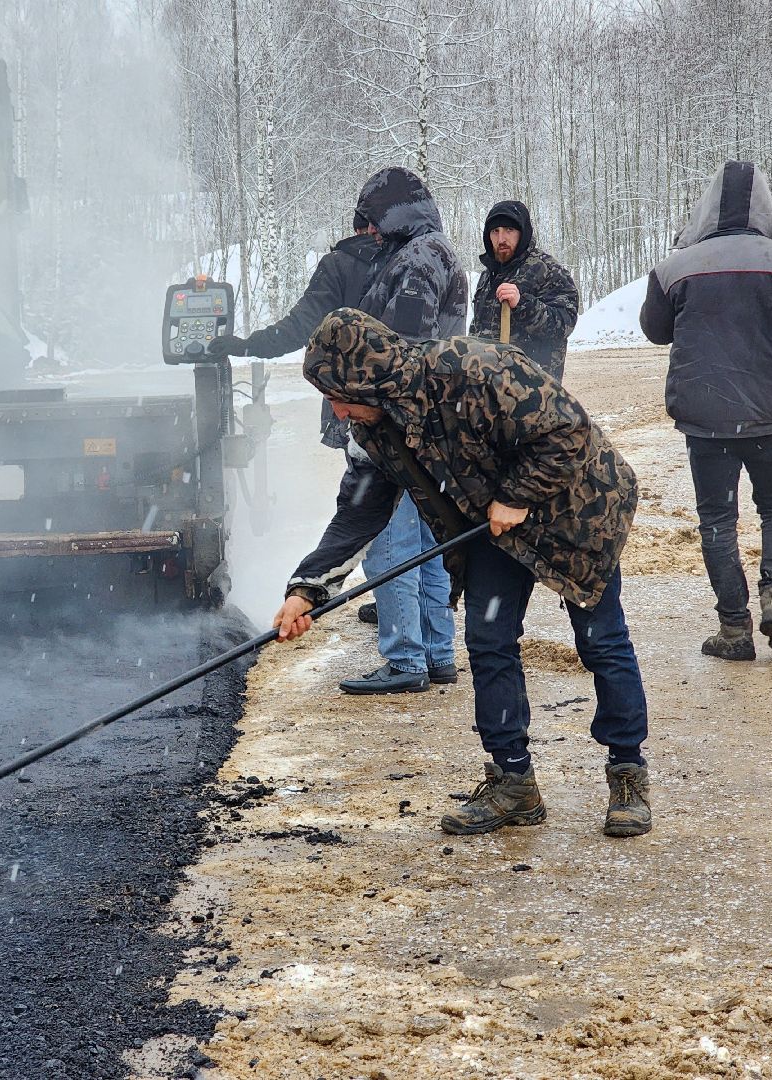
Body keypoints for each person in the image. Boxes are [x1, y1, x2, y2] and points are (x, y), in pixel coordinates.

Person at [275, 308, 652, 838]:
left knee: (600, 640)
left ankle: (627, 772)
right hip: (492, 527)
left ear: (368, 379)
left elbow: (568, 430)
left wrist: (517, 495)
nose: (336, 411)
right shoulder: (375, 428)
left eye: (339, 395)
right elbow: (358, 513)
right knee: (489, 641)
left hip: (576, 510)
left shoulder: (470, 369)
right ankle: (514, 784)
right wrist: (307, 588)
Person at [640, 161, 772, 661]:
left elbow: (655, 329)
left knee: (717, 519)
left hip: (706, 418)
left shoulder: (676, 268)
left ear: (708, 208)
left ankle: (734, 629)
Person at [333, 166, 469, 694]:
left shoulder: (415, 262)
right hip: (434, 427)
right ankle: (437, 652)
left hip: (399, 429)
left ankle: (405, 658)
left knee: (390, 543)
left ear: (394, 214)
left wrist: (367, 414)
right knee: (428, 544)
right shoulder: (437, 253)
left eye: (372, 220)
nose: (368, 231)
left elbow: (398, 354)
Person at [208, 213, 388, 448]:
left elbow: (298, 327)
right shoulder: (413, 258)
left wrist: (247, 345)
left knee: (365, 466)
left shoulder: (339, 265)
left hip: (354, 404)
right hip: (409, 404)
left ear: (358, 230)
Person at [468, 200, 579, 381]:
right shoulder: (488, 275)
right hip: (489, 385)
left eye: (509, 230)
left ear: (522, 232)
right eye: (495, 231)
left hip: (532, 386)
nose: (501, 239)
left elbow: (564, 325)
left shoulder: (547, 270)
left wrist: (522, 304)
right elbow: (477, 328)